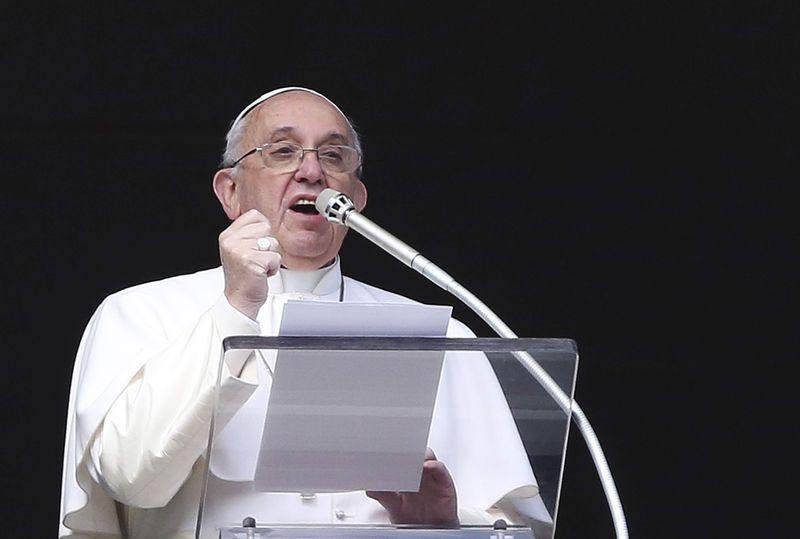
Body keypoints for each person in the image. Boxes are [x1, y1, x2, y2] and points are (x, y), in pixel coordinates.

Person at [59, 87, 553, 539]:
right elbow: (130, 480)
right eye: (282, 151)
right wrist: (236, 308)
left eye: (334, 155)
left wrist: (443, 523)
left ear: (355, 198)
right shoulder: (141, 314)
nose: (312, 171)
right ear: (229, 192)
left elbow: (508, 527)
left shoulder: (442, 334)